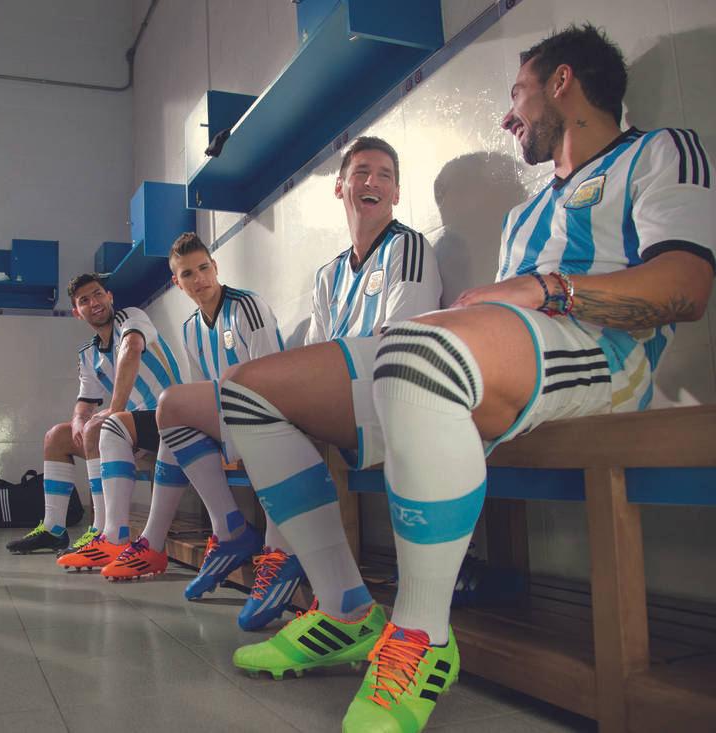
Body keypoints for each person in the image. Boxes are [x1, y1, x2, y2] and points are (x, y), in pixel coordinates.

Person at [234, 25, 716, 733]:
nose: (507, 115)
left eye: (516, 93)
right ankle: (344, 608)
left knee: (416, 352)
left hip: (607, 362)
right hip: (517, 364)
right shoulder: (525, 211)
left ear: (562, 83)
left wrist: (547, 289)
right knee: (250, 388)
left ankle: (422, 636)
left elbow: (689, 285)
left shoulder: (660, 151)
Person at [213, 135, 442, 679]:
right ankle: (331, 594)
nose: (373, 182)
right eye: (361, 171)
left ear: (396, 192)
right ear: (340, 187)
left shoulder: (407, 247)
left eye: (385, 175)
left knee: (248, 390)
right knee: (221, 398)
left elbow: (397, 343)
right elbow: (315, 352)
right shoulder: (328, 273)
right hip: (344, 392)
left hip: (392, 391)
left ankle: (291, 560)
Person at [97, 233, 302, 628]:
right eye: (187, 273)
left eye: (204, 268)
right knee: (175, 415)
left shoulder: (248, 307)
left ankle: (238, 537)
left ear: (215, 267)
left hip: (269, 412)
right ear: (177, 282)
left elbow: (274, 381)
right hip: (228, 420)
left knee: (172, 407)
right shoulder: (191, 327)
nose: (199, 279)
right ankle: (224, 533)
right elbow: (199, 395)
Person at [5, 273, 182, 569]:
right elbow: (85, 402)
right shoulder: (88, 354)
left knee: (101, 425)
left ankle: (104, 531)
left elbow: (131, 350)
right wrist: (77, 421)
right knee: (57, 436)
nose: (94, 303)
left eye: (98, 294)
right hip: (128, 431)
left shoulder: (132, 317)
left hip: (167, 421)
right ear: (77, 312)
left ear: (109, 297)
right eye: (84, 300)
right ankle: (53, 529)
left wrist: (113, 411)